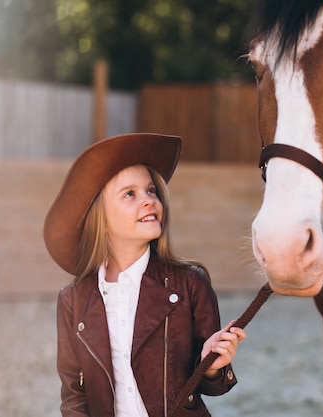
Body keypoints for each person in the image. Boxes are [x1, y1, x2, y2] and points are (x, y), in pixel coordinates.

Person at [43, 133, 246, 417]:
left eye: (151, 190)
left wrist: (211, 366)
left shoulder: (190, 284)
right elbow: (74, 396)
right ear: (98, 218)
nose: (149, 200)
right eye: (130, 194)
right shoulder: (72, 301)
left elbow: (212, 387)